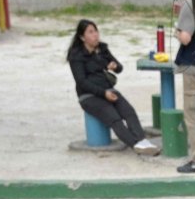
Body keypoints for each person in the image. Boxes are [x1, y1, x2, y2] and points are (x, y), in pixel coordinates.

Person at [66, 19, 159, 156]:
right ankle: (135, 144)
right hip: (89, 95)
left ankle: (142, 141)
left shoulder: (102, 49)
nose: (95, 35)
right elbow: (82, 82)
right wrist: (103, 94)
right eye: (90, 32)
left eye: (96, 31)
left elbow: (119, 67)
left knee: (128, 111)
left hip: (109, 90)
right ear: (82, 37)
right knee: (114, 117)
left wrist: (115, 66)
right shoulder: (77, 56)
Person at [173, 0, 195, 174]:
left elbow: (185, 37)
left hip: (192, 66)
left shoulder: (190, 4)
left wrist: (176, 29)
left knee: (193, 115)